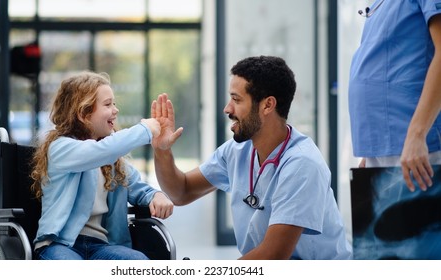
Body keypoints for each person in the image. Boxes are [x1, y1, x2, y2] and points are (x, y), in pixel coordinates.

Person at [151, 56, 353, 260]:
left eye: (236, 100)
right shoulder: (237, 151)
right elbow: (181, 191)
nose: (227, 109)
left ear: (267, 105)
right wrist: (162, 150)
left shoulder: (302, 164)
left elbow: (273, 256)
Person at [30, 71, 174, 260]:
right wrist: (145, 130)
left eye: (114, 103)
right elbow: (99, 152)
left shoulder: (113, 161)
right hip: (61, 245)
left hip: (101, 247)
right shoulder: (61, 148)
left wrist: (157, 195)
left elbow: (138, 188)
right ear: (83, 113)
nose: (115, 110)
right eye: (107, 104)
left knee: (138, 263)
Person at [349, 0, 441, 192]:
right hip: (383, 145)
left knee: (419, 220)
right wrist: (373, 150)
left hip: (416, 144)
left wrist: (417, 134)